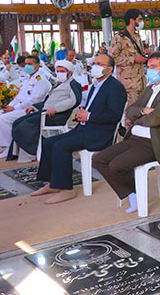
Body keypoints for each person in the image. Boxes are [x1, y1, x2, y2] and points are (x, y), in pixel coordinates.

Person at [93, 52, 160, 214]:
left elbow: (157, 119)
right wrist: (143, 111)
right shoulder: (150, 88)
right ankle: (132, 193)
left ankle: (136, 194)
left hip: (154, 142)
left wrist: (141, 117)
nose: (149, 70)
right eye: (148, 67)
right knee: (99, 159)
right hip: (135, 138)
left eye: (153, 67)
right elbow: (130, 111)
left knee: (117, 165)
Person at [29, 55, 127, 204]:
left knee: (60, 146)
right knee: (48, 142)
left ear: (109, 69)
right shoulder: (96, 85)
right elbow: (92, 108)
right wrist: (82, 114)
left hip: (100, 134)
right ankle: (53, 184)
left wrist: (89, 116)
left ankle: (67, 189)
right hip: (84, 128)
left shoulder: (115, 87)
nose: (95, 66)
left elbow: (114, 115)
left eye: (100, 64)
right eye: (95, 63)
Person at [0, 55, 51, 157]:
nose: (27, 66)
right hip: (17, 107)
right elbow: (18, 97)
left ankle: (10, 148)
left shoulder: (41, 80)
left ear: (37, 65)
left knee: (3, 119)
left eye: (30, 64)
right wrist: (9, 107)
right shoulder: (27, 78)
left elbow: (34, 100)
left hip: (31, 110)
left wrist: (14, 108)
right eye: (26, 64)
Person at [9, 60, 83, 158]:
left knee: (25, 125)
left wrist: (56, 108)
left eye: (62, 71)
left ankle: (33, 150)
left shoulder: (73, 84)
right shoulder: (60, 83)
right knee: (17, 122)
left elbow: (74, 100)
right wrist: (34, 106)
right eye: (58, 71)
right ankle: (16, 153)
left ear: (70, 73)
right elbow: (48, 101)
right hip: (45, 112)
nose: (59, 73)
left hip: (56, 116)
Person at [110, 9, 148, 105]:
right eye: (139, 19)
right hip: (128, 84)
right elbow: (112, 59)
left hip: (140, 81)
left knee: (141, 110)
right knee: (130, 111)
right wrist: (133, 59)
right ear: (132, 20)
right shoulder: (119, 38)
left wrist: (145, 54)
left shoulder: (137, 37)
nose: (141, 22)